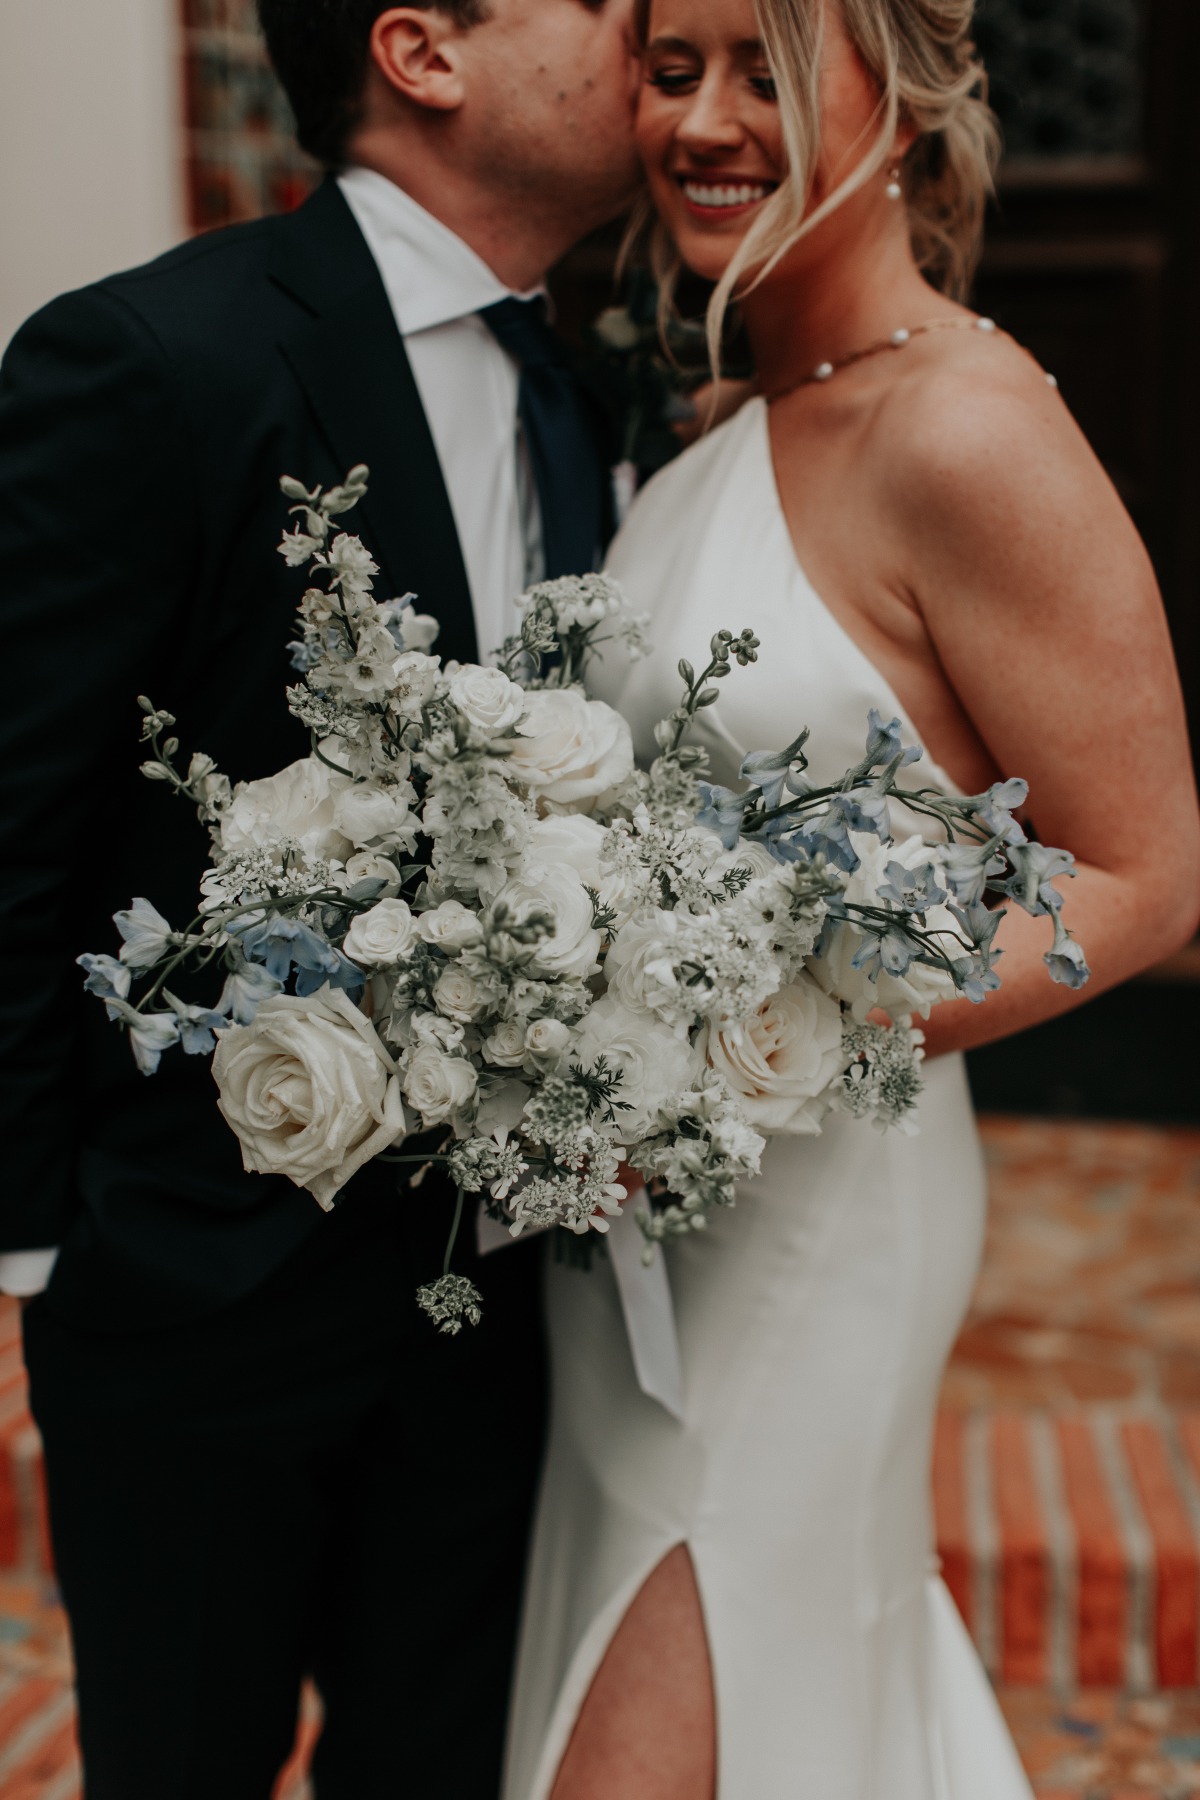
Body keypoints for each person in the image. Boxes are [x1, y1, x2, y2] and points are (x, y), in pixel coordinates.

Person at [503, 1, 1200, 1795]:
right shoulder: (729, 414)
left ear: (905, 96)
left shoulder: (970, 428)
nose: (708, 122)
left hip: (820, 1217)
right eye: (675, 72)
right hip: (637, 1234)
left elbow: (1147, 873)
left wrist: (766, 1028)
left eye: (768, 68)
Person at [0, 3, 638, 1795]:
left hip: (500, 1287)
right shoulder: (152, 359)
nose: (642, 26)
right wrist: (54, 1245)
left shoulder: (590, 381)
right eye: (590, 3)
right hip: (199, 1284)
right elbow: (16, 808)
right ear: (424, 51)